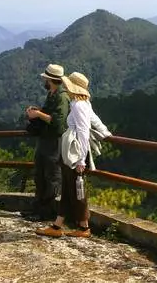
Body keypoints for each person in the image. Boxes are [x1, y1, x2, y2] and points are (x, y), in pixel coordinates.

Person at [36, 71, 112, 238]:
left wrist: (80, 160)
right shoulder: (83, 103)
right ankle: (58, 226)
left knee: (77, 189)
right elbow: (95, 120)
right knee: (70, 188)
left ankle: (83, 227)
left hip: (75, 153)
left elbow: (84, 131)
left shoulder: (78, 105)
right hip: (74, 152)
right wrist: (107, 133)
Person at [22, 63, 69, 222]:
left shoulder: (62, 97)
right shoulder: (52, 94)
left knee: (51, 176)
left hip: (53, 142)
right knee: (40, 175)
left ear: (51, 80)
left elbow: (58, 122)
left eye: (46, 79)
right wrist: (37, 113)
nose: (44, 81)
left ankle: (47, 213)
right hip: (44, 140)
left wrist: (38, 115)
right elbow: (47, 116)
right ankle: (37, 209)